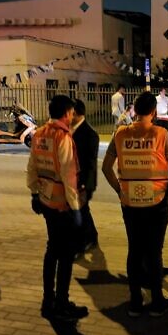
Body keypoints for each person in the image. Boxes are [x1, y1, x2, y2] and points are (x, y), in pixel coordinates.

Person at [102, 91, 168, 317]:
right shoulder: (160, 133)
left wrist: (120, 189)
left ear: (133, 111)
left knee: (134, 251)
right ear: (154, 112)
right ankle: (157, 302)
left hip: (130, 202)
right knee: (154, 252)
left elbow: (106, 168)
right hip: (157, 201)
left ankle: (135, 302)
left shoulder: (120, 133)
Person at [27, 95, 88, 322]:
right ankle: (62, 302)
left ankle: (48, 299)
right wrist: (76, 209)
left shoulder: (40, 133)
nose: (72, 117)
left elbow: (32, 166)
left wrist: (34, 193)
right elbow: (68, 175)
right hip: (62, 204)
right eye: (71, 113)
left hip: (45, 200)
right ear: (66, 113)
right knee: (65, 255)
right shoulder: (63, 138)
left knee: (52, 250)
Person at [71, 99, 100, 254]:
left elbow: (90, 164)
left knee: (80, 212)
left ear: (75, 113)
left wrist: (84, 185)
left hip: (83, 182)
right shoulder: (69, 130)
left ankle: (83, 242)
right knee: (82, 211)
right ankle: (91, 236)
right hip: (72, 180)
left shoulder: (90, 134)